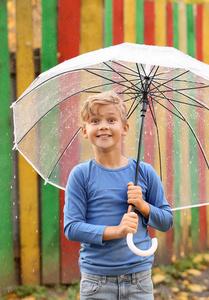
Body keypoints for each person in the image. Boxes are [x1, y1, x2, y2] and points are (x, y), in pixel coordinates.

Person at [63, 90, 174, 299]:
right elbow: (72, 228)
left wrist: (142, 205)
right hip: (97, 281)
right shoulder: (81, 175)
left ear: (124, 129)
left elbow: (167, 221)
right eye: (95, 120)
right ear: (85, 131)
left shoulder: (144, 171)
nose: (103, 125)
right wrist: (117, 231)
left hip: (138, 280)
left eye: (111, 119)